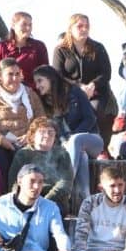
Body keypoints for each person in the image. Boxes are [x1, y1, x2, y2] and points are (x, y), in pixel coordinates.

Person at [32, 65, 103, 205]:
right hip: (71, 147)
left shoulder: (74, 91)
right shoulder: (46, 104)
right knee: (81, 157)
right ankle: (86, 201)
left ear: (50, 79)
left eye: (40, 81)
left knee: (76, 140)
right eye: (36, 82)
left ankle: (65, 185)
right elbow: (54, 131)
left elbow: (90, 118)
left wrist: (70, 138)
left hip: (91, 139)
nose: (37, 85)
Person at [0, 57, 46, 181]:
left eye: (17, 74)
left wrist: (31, 135)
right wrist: (1, 140)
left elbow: (41, 119)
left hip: (26, 141)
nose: (15, 78)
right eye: (10, 74)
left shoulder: (30, 94)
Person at [52, 14, 114, 143]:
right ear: (70, 29)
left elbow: (106, 73)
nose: (84, 29)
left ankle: (101, 146)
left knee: (95, 109)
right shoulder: (61, 50)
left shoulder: (98, 47)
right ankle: (72, 141)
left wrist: (93, 85)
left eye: (87, 26)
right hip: (71, 93)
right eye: (80, 26)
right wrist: (78, 86)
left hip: (96, 92)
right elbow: (58, 75)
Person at [7, 118, 74, 214]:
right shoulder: (23, 154)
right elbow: (14, 181)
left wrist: (44, 201)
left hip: (54, 200)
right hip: (27, 197)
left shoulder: (62, 154)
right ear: (33, 135)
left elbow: (65, 182)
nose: (47, 136)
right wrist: (21, 199)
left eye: (51, 133)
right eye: (42, 132)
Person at [0, 11, 48, 88]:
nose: (28, 28)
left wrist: (27, 89)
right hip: (5, 92)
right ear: (13, 25)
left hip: (32, 92)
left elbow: (45, 75)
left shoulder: (39, 47)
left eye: (30, 25)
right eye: (24, 24)